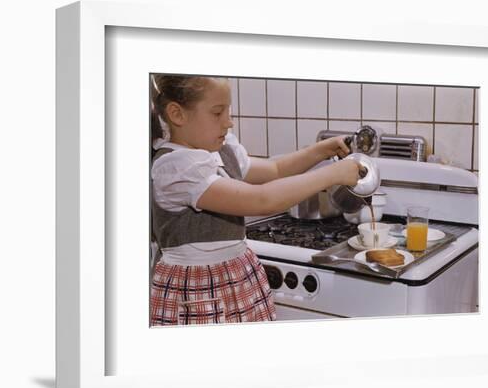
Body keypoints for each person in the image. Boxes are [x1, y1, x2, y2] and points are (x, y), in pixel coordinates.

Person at [150, 74, 361, 326]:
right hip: (197, 289)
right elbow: (262, 200)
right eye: (217, 113)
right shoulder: (175, 167)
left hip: (236, 276)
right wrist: (332, 174)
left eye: (228, 111)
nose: (229, 122)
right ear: (177, 114)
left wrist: (321, 150)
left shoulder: (219, 150)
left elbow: (274, 169)